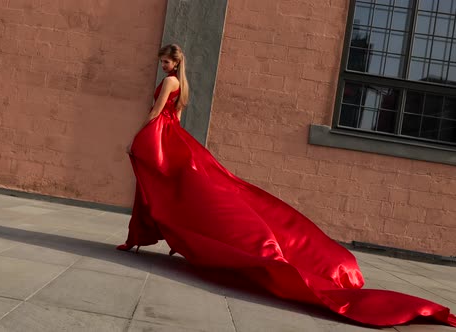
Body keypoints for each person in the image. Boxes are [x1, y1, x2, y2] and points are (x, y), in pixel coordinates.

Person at [117, 44, 455, 328]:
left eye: (166, 61)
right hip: (172, 137)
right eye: (163, 62)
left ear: (175, 63)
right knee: (177, 187)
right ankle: (151, 233)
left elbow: (156, 113)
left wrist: (136, 138)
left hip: (160, 136)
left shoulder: (170, 83)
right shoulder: (180, 84)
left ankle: (153, 233)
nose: (163, 65)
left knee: (171, 188)